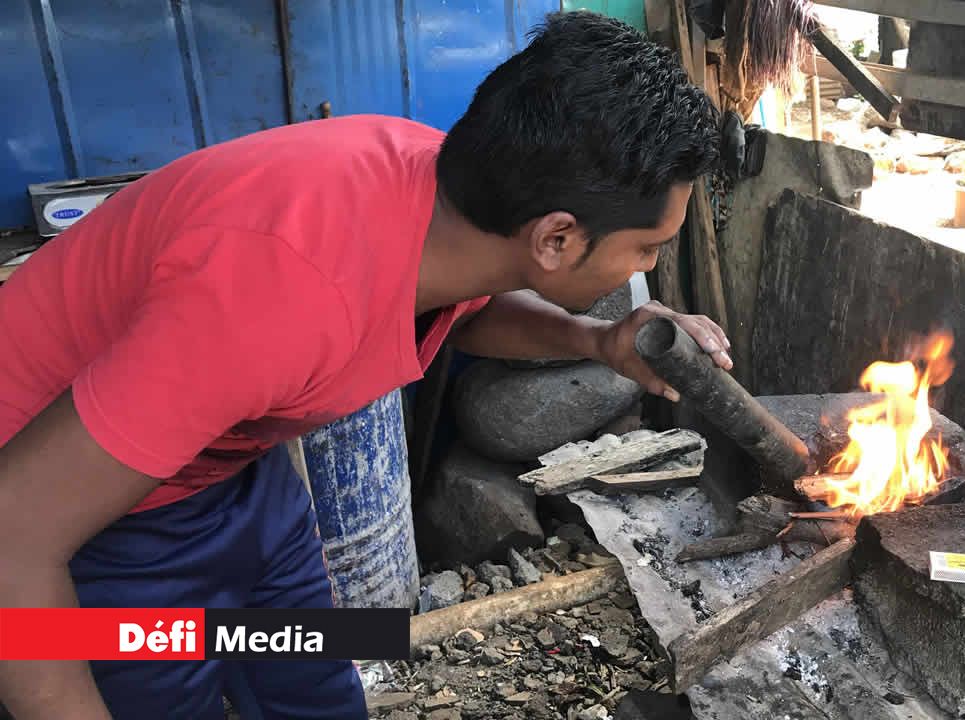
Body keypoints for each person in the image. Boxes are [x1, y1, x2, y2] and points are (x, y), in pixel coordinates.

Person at [0, 12, 728, 719]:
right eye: (647, 247)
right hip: (76, 501)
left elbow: (462, 308)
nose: (648, 266)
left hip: (225, 463)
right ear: (557, 239)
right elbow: (15, 535)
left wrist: (601, 342)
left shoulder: (438, 194)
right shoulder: (276, 297)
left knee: (313, 679)